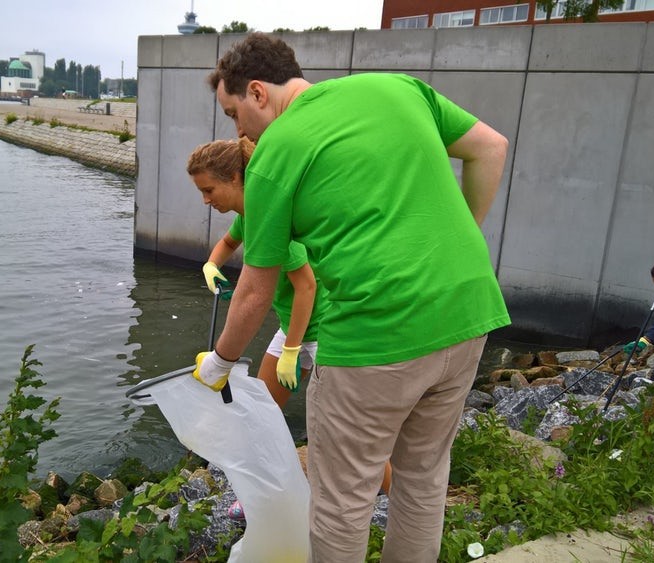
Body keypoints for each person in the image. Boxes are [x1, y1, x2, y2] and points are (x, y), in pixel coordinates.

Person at [190, 33, 510, 562]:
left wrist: (219, 365)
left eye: (233, 112)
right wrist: (459, 242)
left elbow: (255, 286)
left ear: (257, 93)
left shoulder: (274, 151)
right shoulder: (399, 89)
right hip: (468, 313)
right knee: (423, 481)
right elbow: (490, 147)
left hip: (376, 336)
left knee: (342, 504)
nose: (237, 128)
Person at [187, 138, 393, 518]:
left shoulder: (275, 220)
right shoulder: (249, 216)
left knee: (350, 428)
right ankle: (262, 497)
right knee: (260, 416)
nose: (205, 200)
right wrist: (212, 265)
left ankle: (395, 499)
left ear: (235, 177)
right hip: (293, 329)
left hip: (326, 331)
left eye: (209, 190)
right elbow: (228, 242)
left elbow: (307, 286)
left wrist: (294, 350)